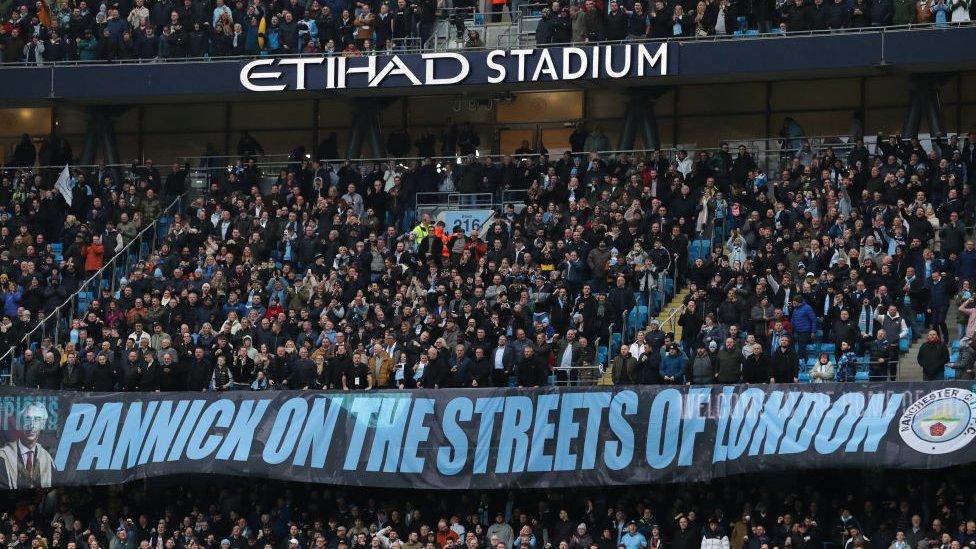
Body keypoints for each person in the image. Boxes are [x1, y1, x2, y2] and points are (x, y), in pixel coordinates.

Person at [0, 401, 54, 489]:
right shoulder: (3, 458)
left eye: (37, 420)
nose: (32, 426)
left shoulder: (47, 459)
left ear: (43, 424)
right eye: (27, 419)